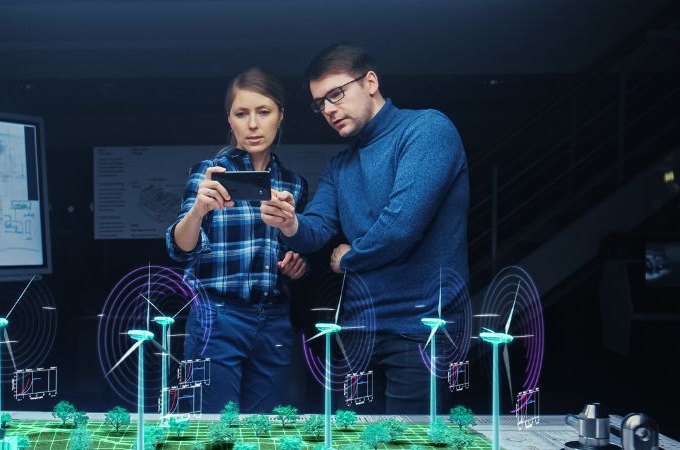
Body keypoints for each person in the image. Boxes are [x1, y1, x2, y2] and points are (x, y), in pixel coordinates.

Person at [261, 44, 469, 414]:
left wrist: (350, 259)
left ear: (370, 81)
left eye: (336, 94)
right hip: (358, 332)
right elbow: (317, 228)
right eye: (319, 103)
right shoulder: (341, 165)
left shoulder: (427, 129)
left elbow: (400, 227)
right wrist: (290, 223)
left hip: (423, 332)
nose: (327, 109)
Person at [166, 67, 308, 416]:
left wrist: (296, 263)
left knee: (266, 430)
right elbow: (179, 248)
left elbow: (297, 249)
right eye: (241, 114)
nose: (253, 124)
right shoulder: (208, 172)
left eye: (264, 112)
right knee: (215, 428)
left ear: (280, 116)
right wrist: (198, 210)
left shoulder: (295, 184)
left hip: (273, 317)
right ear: (230, 121)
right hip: (217, 314)